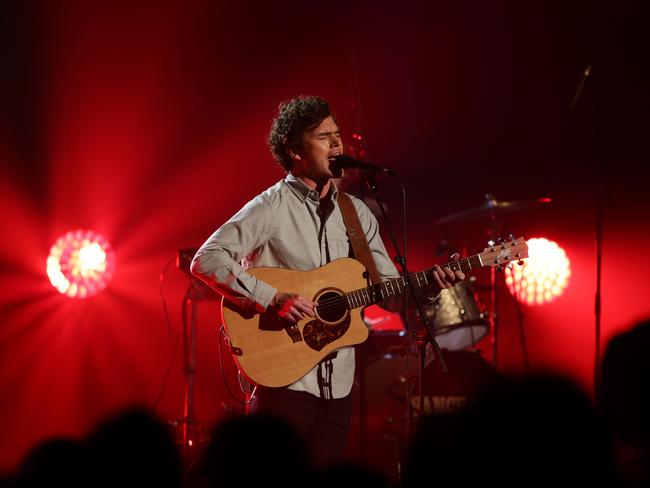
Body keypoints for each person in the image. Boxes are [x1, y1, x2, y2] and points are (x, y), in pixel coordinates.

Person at [190, 95, 464, 467]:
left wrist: (430, 283)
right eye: (324, 136)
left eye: (337, 135)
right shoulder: (270, 207)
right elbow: (207, 259)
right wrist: (272, 297)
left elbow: (389, 293)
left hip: (339, 387)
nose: (337, 144)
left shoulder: (358, 213)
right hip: (283, 382)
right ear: (294, 150)